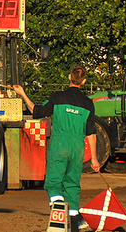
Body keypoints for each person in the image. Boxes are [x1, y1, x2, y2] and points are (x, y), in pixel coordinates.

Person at [13, 66, 99, 232]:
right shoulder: (88, 104)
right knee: (72, 186)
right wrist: (94, 158)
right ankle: (74, 226)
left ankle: (58, 208)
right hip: (77, 149)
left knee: (54, 184)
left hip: (59, 146)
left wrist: (23, 94)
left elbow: (36, 111)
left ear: (69, 77)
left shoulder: (57, 97)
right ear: (84, 81)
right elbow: (91, 133)